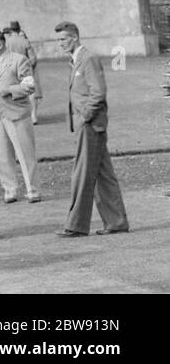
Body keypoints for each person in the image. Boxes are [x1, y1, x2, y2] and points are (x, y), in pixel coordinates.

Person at [56, 22, 129, 237]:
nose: (60, 44)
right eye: (58, 40)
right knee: (103, 175)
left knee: (82, 174)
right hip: (87, 125)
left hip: (90, 125)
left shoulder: (88, 58)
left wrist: (86, 117)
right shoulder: (77, 60)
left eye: (63, 39)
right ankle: (116, 222)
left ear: (75, 37)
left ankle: (76, 226)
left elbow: (98, 92)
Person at [0, 29, 40, 203]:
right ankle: (10, 190)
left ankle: (33, 190)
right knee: (2, 155)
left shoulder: (19, 60)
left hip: (16, 114)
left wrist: (7, 90)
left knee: (25, 153)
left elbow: (29, 86)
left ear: (0, 44)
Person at [5, 22, 42, 125]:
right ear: (19, 29)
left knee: (13, 92)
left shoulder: (7, 42)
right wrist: (30, 67)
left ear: (11, 30)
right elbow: (33, 58)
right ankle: (33, 116)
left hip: (11, 70)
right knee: (31, 93)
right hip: (25, 69)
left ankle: (17, 115)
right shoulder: (25, 41)